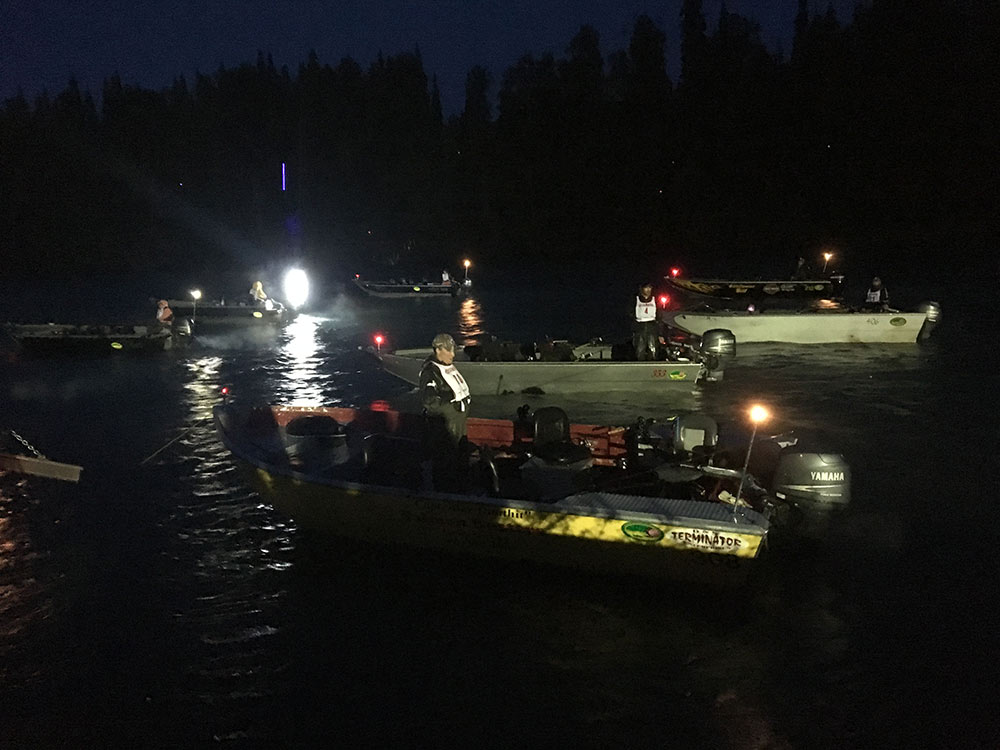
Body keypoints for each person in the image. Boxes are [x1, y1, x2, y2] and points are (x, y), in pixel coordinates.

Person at [419, 333, 472, 489]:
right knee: (445, 466)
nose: (453, 354)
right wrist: (452, 407)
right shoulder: (431, 372)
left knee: (461, 461)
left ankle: (461, 488)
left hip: (459, 428)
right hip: (444, 431)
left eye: (453, 350)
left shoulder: (446, 366)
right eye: (449, 350)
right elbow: (430, 401)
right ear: (438, 350)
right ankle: (445, 494)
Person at [632, 282, 659, 361]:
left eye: (650, 288)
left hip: (652, 326)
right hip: (640, 326)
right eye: (646, 288)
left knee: (653, 348)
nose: (648, 290)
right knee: (640, 348)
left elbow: (659, 313)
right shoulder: (635, 299)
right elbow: (630, 312)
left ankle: (652, 364)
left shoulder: (655, 299)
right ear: (642, 289)